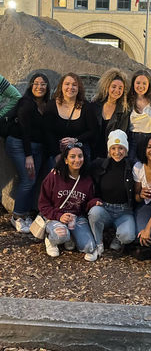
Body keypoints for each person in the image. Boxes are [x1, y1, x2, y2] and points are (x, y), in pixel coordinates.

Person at [38, 142, 99, 261]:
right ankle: (50, 239)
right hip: (55, 217)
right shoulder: (54, 176)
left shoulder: (87, 180)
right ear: (65, 160)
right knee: (61, 235)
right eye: (72, 156)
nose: (77, 160)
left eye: (80, 156)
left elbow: (87, 203)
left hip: (76, 218)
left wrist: (94, 202)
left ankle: (71, 236)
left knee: (89, 247)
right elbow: (43, 204)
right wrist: (58, 216)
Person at [6, 73, 50, 233]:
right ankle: (17, 217)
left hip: (36, 147)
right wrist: (28, 155)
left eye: (43, 84)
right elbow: (25, 130)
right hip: (19, 144)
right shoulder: (26, 103)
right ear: (31, 85)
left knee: (34, 179)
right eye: (36, 83)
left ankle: (25, 214)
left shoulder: (45, 105)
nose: (39, 87)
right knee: (28, 180)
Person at [88, 130, 136, 254]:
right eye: (113, 148)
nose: (117, 152)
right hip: (105, 208)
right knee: (94, 213)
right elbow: (81, 170)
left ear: (126, 150)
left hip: (124, 211)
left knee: (128, 236)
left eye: (121, 148)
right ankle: (98, 242)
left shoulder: (133, 166)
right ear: (109, 150)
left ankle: (118, 237)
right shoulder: (100, 164)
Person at [44, 72, 98, 163]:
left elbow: (93, 130)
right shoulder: (51, 105)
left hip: (80, 153)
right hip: (56, 152)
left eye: (74, 85)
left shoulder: (86, 107)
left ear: (78, 88)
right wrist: (57, 154)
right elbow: (47, 131)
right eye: (67, 84)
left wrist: (75, 140)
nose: (70, 87)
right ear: (61, 86)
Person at [91, 68, 129, 158]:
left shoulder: (124, 111)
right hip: (92, 151)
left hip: (112, 154)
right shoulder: (94, 105)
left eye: (120, 88)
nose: (117, 90)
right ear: (107, 87)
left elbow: (122, 134)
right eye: (114, 86)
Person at [127, 70, 151, 164]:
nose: (141, 86)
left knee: (149, 165)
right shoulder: (127, 99)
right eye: (138, 83)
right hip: (133, 138)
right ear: (133, 83)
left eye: (144, 83)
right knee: (132, 164)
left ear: (149, 85)